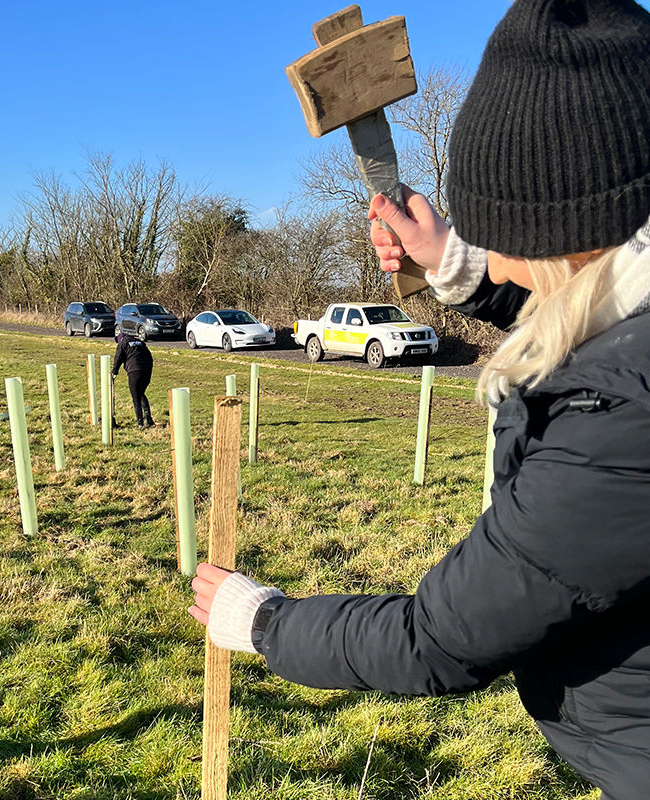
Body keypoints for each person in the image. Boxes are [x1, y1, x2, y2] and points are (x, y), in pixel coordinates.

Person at [189, 1, 650, 796]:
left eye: (506, 237)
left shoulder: (616, 427)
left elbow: (437, 640)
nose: (499, 264)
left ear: (577, 229)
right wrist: (459, 269)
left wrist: (263, 622)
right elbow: (595, 322)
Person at [112, 331, 155, 428]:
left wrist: (114, 372)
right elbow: (149, 356)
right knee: (141, 394)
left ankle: (140, 424)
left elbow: (118, 358)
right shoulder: (140, 342)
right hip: (147, 370)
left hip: (134, 371)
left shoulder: (122, 343)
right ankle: (149, 420)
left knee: (136, 398)